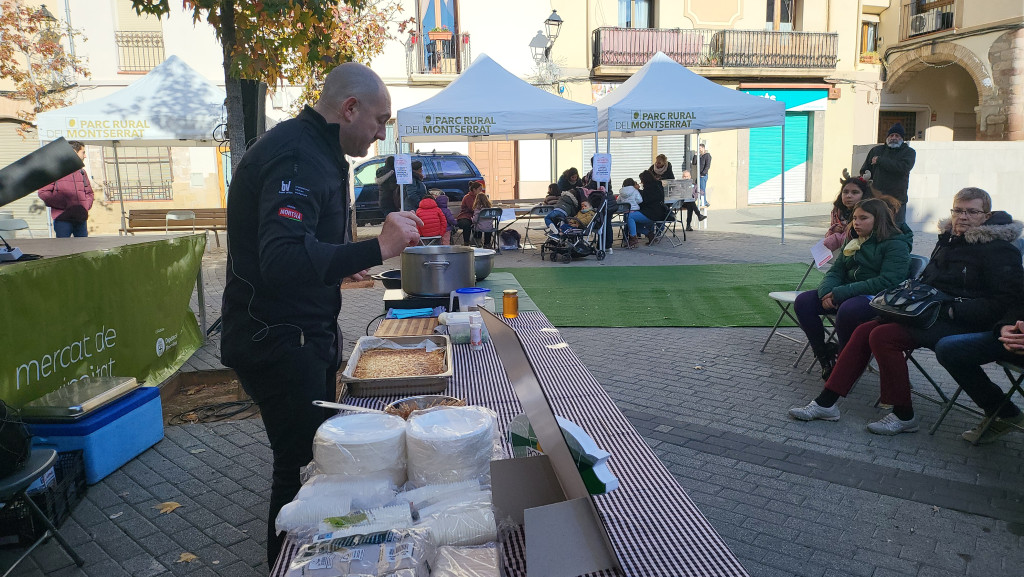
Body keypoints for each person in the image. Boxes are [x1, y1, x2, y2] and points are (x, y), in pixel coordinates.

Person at [219, 62, 422, 568]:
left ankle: (313, 559)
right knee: (305, 472)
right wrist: (378, 248)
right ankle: (292, 564)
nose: (381, 132)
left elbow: (303, 247)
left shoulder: (315, 148)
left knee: (307, 466)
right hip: (278, 340)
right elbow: (283, 259)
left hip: (296, 334)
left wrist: (340, 268)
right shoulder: (298, 155)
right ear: (349, 108)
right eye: (379, 120)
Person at [788, 187, 1023, 436]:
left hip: (965, 320)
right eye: (958, 210)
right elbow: (929, 282)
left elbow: (1008, 299)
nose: (963, 217)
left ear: (985, 215)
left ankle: (903, 414)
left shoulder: (999, 249)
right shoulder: (949, 241)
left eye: (972, 211)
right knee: (865, 330)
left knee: (883, 336)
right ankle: (826, 404)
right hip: (931, 312)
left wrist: (954, 311)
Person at [794, 196, 913, 380]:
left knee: (849, 309)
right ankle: (824, 355)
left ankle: (844, 360)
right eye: (855, 218)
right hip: (847, 293)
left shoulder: (896, 244)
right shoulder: (855, 240)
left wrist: (840, 293)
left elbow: (888, 281)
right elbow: (836, 271)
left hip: (879, 298)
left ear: (879, 219)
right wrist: (827, 292)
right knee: (803, 302)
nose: (856, 223)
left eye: (863, 218)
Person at [934, 299, 1024, 444]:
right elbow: (1017, 301)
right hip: (1012, 335)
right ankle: (1003, 411)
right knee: (948, 349)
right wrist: (1006, 326)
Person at [859, 123, 916, 224]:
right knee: (876, 226)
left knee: (896, 227)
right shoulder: (876, 150)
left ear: (902, 138)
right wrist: (865, 175)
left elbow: (903, 167)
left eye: (897, 136)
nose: (893, 138)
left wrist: (880, 160)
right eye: (891, 135)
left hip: (897, 200)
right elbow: (865, 169)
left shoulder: (909, 152)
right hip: (876, 198)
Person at [38, 140, 93, 238]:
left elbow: (89, 193)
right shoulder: (54, 171)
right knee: (64, 249)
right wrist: (64, 203)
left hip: (80, 219)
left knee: (84, 250)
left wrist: (85, 205)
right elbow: (43, 192)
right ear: (74, 152)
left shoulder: (82, 172)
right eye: (83, 152)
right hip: (62, 219)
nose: (85, 156)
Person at [825, 172, 874, 251]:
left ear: (864, 194)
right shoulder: (837, 212)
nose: (849, 196)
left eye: (855, 192)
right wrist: (833, 230)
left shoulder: (871, 212)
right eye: (845, 192)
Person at [627, 170, 670, 246]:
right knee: (634, 222)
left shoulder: (649, 188)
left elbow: (645, 201)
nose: (641, 182)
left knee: (629, 217)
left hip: (651, 214)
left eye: (642, 180)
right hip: (660, 213)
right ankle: (650, 235)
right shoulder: (659, 185)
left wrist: (637, 192)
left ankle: (633, 238)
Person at [456, 181, 482, 245]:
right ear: (474, 189)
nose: (481, 191)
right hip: (465, 216)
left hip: (475, 216)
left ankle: (477, 241)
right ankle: (466, 242)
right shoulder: (468, 197)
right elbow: (472, 208)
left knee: (481, 223)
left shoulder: (479, 197)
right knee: (467, 224)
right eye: (480, 189)